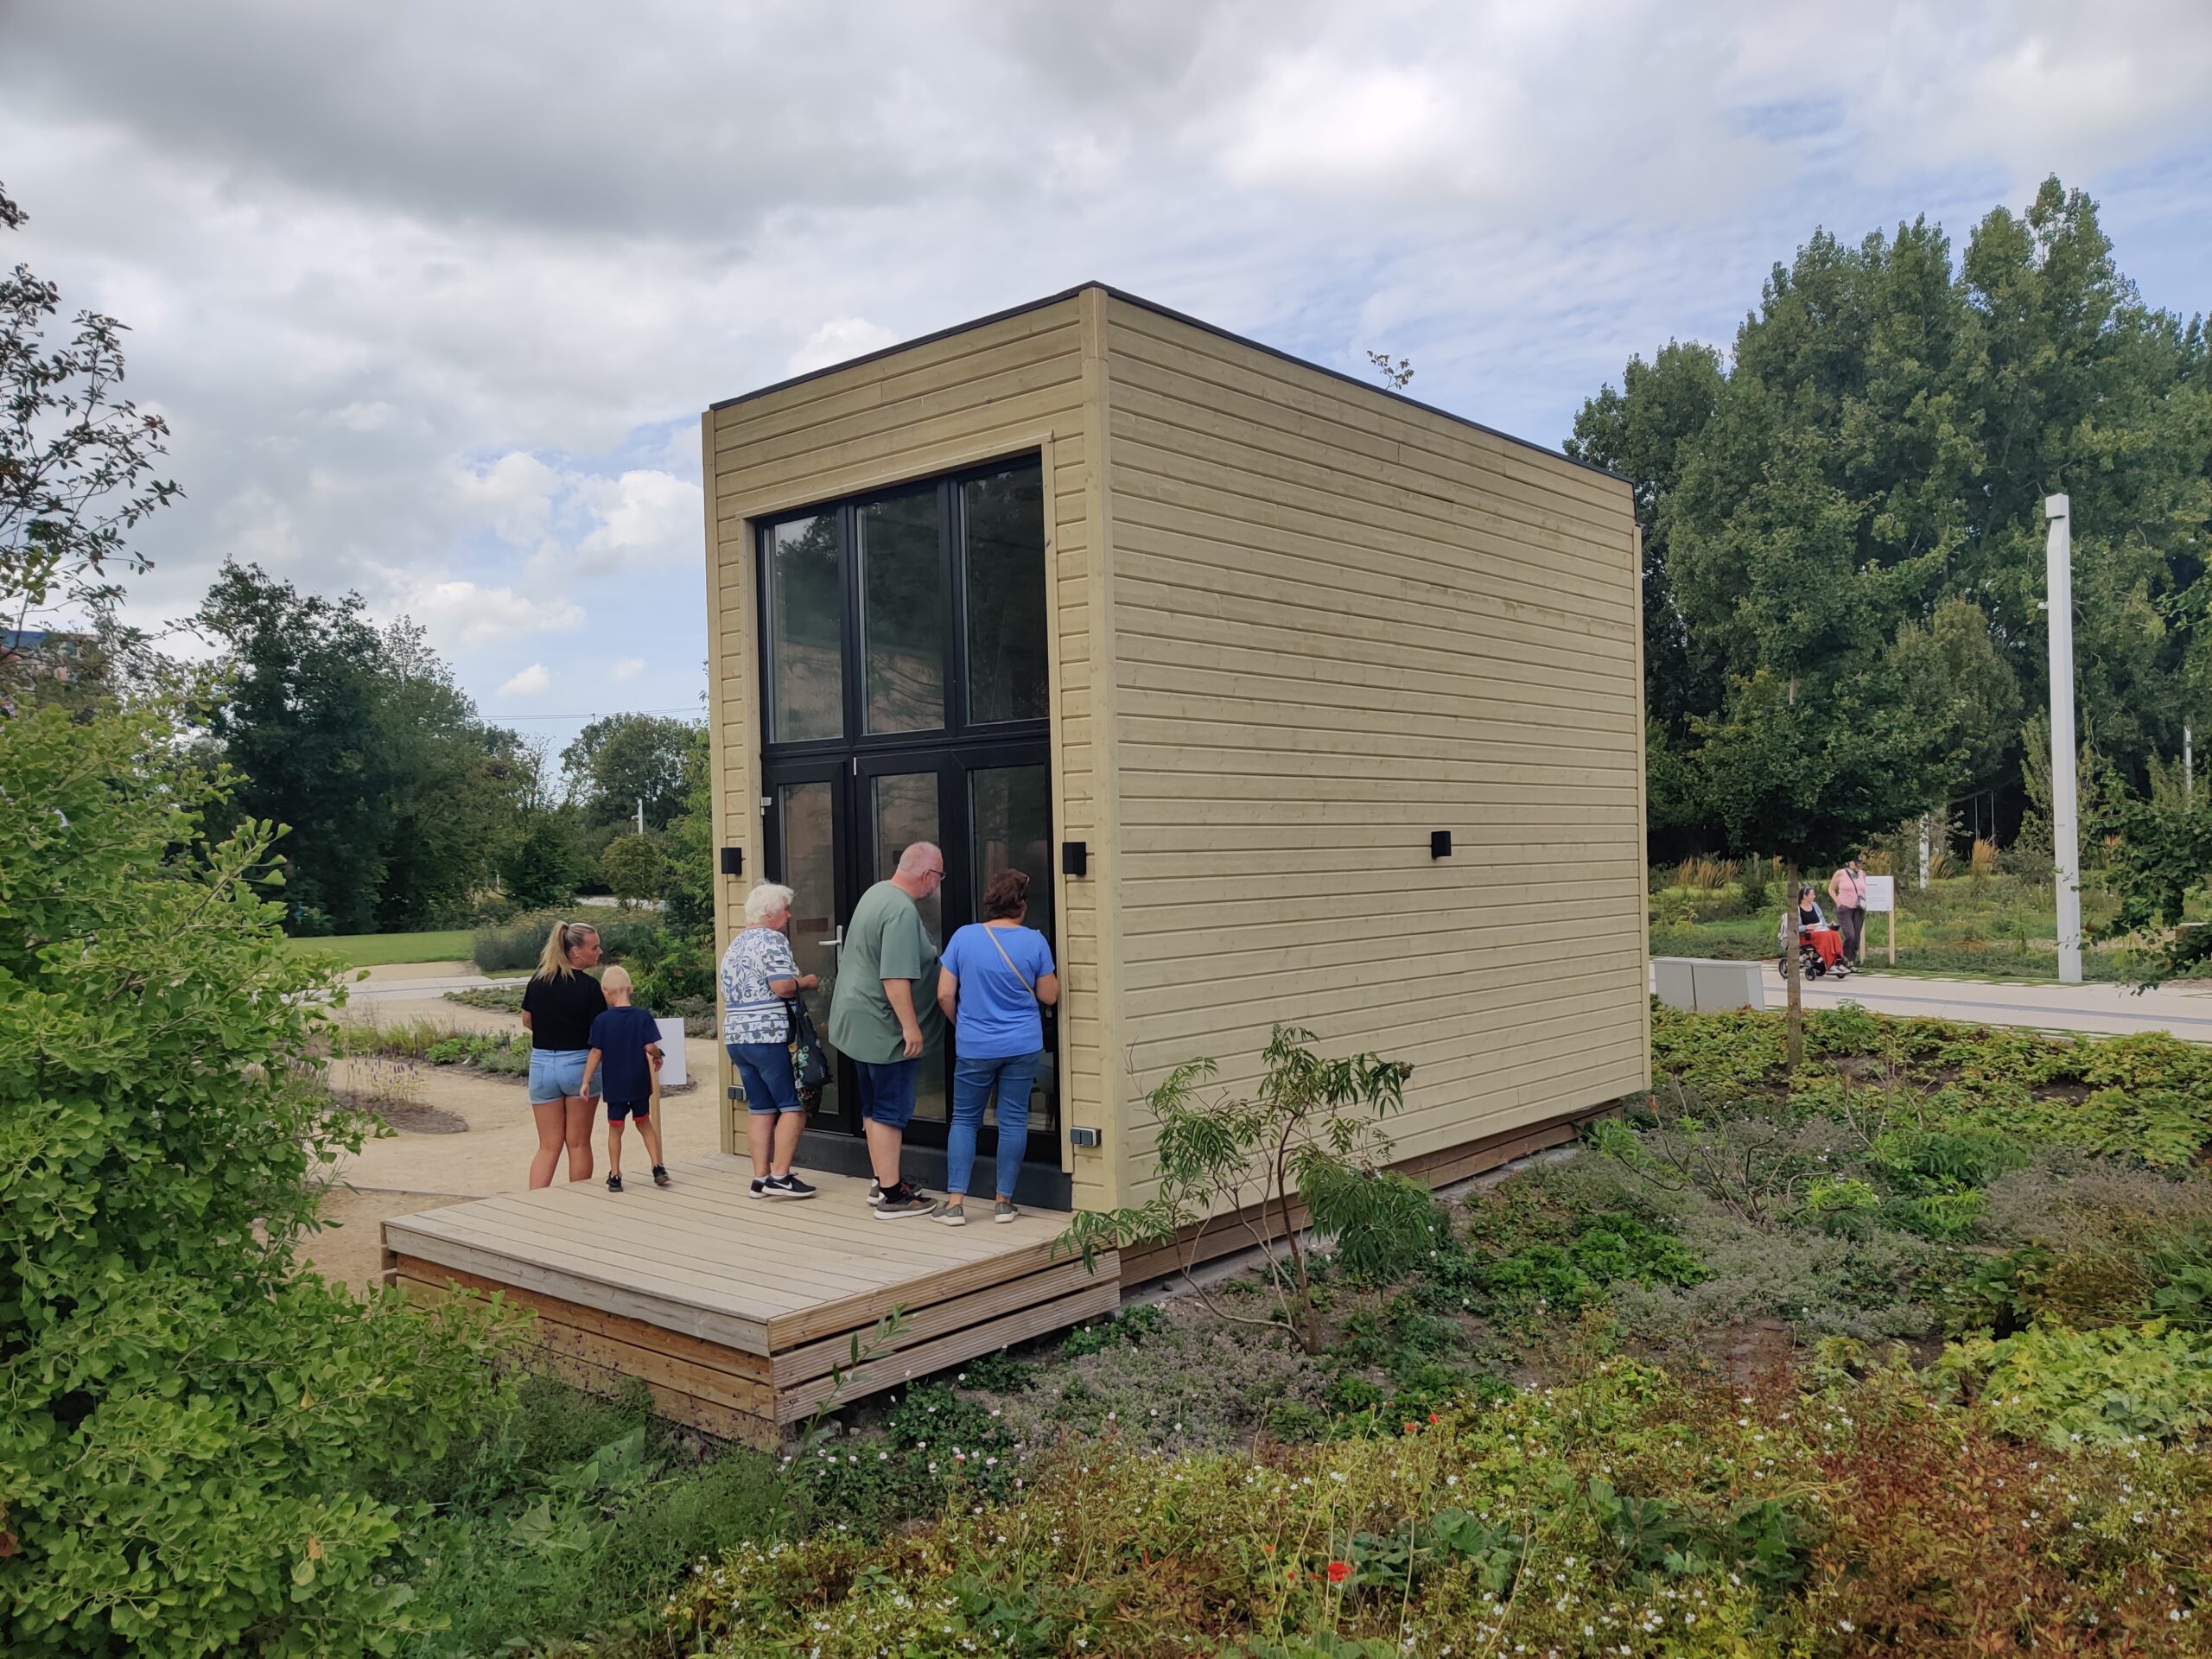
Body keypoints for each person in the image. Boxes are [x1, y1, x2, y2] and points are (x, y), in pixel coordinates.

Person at [932, 868, 1059, 1226]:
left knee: (965, 1119)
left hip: (975, 1044)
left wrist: (964, 1024)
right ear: (1021, 905)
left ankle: (956, 1203)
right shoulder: (1034, 941)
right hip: (1022, 1043)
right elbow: (1048, 996)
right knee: (1014, 1119)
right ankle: (1004, 1202)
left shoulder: (964, 937)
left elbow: (944, 993)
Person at [828, 841, 945, 1217]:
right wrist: (911, 1029)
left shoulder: (877, 893)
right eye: (939, 877)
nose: (938, 884)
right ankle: (894, 1197)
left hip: (858, 1024)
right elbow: (894, 976)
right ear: (927, 876)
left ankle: (882, 1181)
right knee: (890, 1112)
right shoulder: (900, 912)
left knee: (873, 1107)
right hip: (884, 1029)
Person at [720, 881, 819, 1201]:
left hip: (737, 1036)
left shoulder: (734, 945)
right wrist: (807, 981)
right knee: (794, 1106)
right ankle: (781, 1176)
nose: (789, 915)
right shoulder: (772, 940)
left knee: (760, 1109)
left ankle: (760, 1178)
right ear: (771, 913)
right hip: (769, 1034)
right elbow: (782, 986)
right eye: (785, 909)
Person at [520, 920, 606, 1187]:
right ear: (576, 952)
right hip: (579, 1065)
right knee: (578, 1143)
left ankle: (535, 1201)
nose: (599, 952)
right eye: (595, 947)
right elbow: (600, 1034)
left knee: (547, 1146)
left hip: (542, 1065)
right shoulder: (590, 987)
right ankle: (577, 1205)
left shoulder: (538, 980)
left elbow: (527, 1020)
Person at [582, 965, 667, 1193]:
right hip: (639, 1081)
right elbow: (650, 1046)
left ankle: (616, 1174)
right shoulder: (642, 1016)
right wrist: (659, 1057)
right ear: (631, 988)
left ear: (605, 991)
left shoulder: (601, 1021)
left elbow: (595, 1053)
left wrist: (586, 1080)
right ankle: (657, 1167)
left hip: (615, 1084)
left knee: (615, 1128)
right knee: (644, 1123)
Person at [1782, 884, 1847, 974]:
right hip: (1806, 935)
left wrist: (1829, 925)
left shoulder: (1815, 905)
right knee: (1826, 936)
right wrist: (1806, 927)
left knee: (1834, 934)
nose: (1814, 896)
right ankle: (1830, 964)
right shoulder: (1797, 909)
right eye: (1812, 895)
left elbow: (1822, 921)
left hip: (1819, 930)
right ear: (1805, 896)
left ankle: (1839, 961)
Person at [1829, 855, 1869, 966]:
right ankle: (1843, 958)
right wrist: (1838, 902)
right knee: (1850, 935)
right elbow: (1831, 889)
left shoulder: (1862, 874)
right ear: (1850, 863)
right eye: (1856, 864)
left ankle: (1851, 961)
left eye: (1860, 864)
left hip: (1858, 908)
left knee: (1856, 937)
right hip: (1845, 908)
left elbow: (1863, 890)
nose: (1858, 866)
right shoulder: (1840, 873)